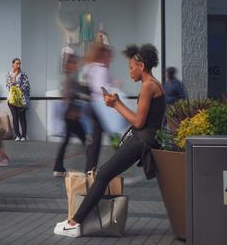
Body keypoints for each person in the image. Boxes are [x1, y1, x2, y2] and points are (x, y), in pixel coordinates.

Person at [54, 43, 166, 237]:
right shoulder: (154, 84)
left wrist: (116, 104)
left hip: (142, 140)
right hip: (142, 138)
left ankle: (74, 223)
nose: (129, 72)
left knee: (103, 174)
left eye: (131, 67)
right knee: (104, 173)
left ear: (141, 66)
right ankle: (75, 221)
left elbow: (139, 122)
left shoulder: (148, 86)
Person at [53, 54, 89, 177]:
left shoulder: (71, 78)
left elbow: (79, 89)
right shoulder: (68, 79)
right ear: (69, 65)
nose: (76, 65)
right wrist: (81, 95)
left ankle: (58, 168)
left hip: (71, 116)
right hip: (71, 116)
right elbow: (69, 94)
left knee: (67, 141)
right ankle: (89, 167)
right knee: (85, 141)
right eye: (74, 63)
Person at [82, 43, 113, 172]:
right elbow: (100, 87)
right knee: (110, 136)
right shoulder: (101, 69)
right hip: (100, 108)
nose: (110, 59)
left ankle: (90, 168)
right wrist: (112, 89)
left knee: (96, 139)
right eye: (109, 57)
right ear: (104, 56)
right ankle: (91, 169)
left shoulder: (91, 67)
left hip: (92, 107)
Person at [6, 58, 30, 141]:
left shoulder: (23, 75)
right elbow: (9, 86)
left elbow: (26, 86)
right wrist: (15, 76)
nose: (18, 65)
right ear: (13, 64)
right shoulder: (9, 74)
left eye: (19, 64)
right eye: (17, 63)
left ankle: (23, 136)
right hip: (12, 99)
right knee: (15, 117)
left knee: (22, 117)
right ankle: (18, 135)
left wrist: (18, 87)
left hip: (21, 99)